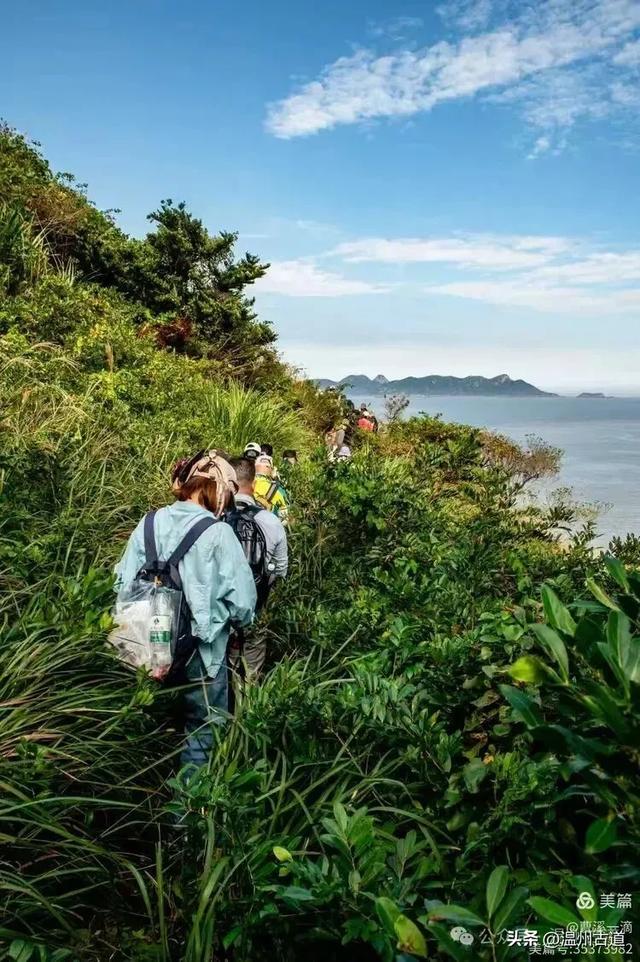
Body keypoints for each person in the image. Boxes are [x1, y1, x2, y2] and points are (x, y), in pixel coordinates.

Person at [114, 450, 256, 768]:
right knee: (203, 732)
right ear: (218, 492)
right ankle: (187, 813)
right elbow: (244, 604)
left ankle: (140, 798)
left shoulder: (147, 523)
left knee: (143, 728)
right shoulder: (219, 533)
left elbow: (121, 585)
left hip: (143, 649)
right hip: (200, 654)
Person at [226, 456, 288, 680]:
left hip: (223, 612)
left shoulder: (216, 519)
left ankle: (226, 706)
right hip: (257, 606)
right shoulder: (271, 522)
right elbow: (280, 570)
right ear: (253, 484)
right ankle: (249, 706)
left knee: (224, 666)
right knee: (252, 667)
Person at [253, 454, 289, 523]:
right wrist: (276, 479)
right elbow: (284, 519)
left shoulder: (245, 483)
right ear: (270, 469)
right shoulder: (276, 490)